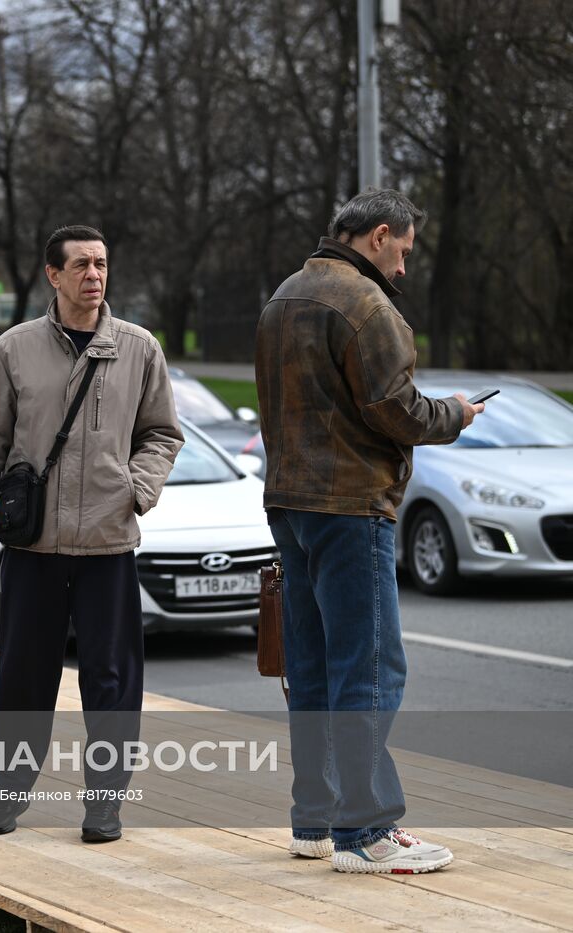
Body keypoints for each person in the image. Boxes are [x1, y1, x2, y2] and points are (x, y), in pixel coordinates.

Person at [255, 189, 482, 874]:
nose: (405, 268)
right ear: (379, 235)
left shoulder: (283, 296)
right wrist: (456, 414)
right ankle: (368, 832)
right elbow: (398, 410)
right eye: (405, 251)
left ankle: (315, 820)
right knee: (371, 667)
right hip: (352, 506)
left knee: (315, 667)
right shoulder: (366, 303)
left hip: (289, 504)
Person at [0, 225, 183, 842]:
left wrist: (138, 488)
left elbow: (162, 433)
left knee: (112, 681)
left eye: (101, 264)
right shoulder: (15, 349)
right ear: (53, 275)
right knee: (24, 676)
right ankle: (7, 794)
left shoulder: (138, 347)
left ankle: (104, 805)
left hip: (108, 544)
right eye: (80, 265)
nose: (94, 275)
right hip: (34, 547)